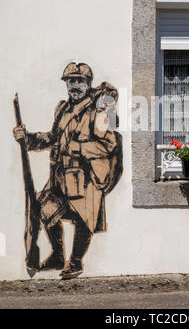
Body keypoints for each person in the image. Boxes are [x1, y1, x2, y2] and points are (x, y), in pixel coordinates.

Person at [13, 62, 123, 279]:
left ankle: (75, 263)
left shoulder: (97, 113)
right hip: (62, 176)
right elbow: (53, 139)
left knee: (84, 220)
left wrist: (78, 148)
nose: (75, 86)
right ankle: (57, 255)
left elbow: (108, 145)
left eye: (80, 81)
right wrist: (29, 139)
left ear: (87, 84)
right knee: (43, 208)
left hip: (87, 178)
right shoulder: (62, 109)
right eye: (71, 81)